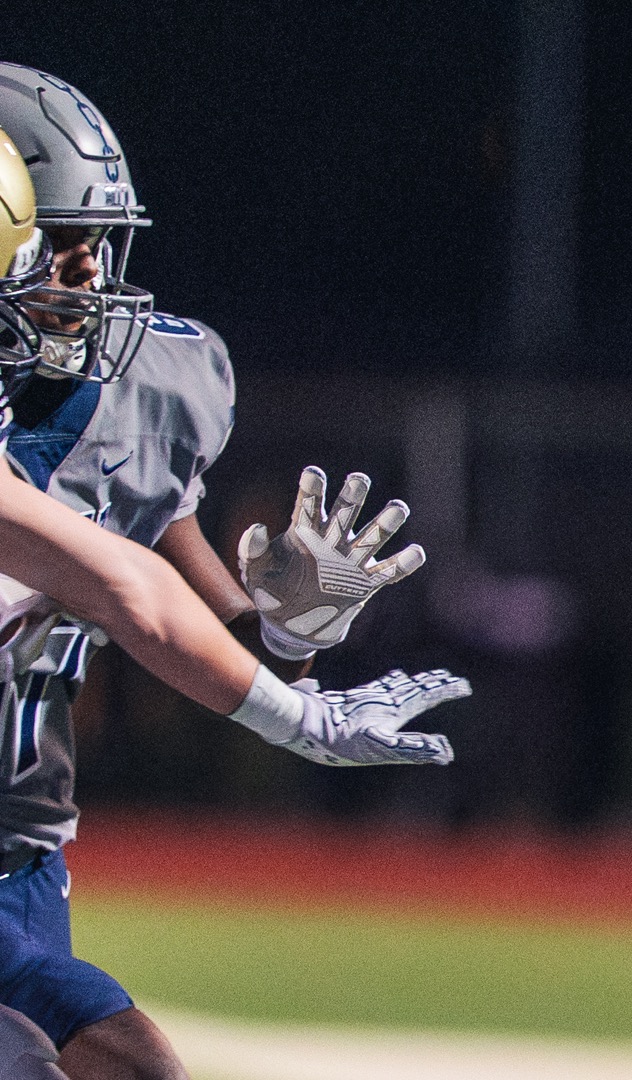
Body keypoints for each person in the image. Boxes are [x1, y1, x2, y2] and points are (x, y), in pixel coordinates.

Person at [0, 101, 462, 1080]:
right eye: (55, 246)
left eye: (99, 245)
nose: (87, 277)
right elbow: (127, 591)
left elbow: (166, 602)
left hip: (19, 854)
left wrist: (292, 638)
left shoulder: (144, 400)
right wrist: (306, 722)